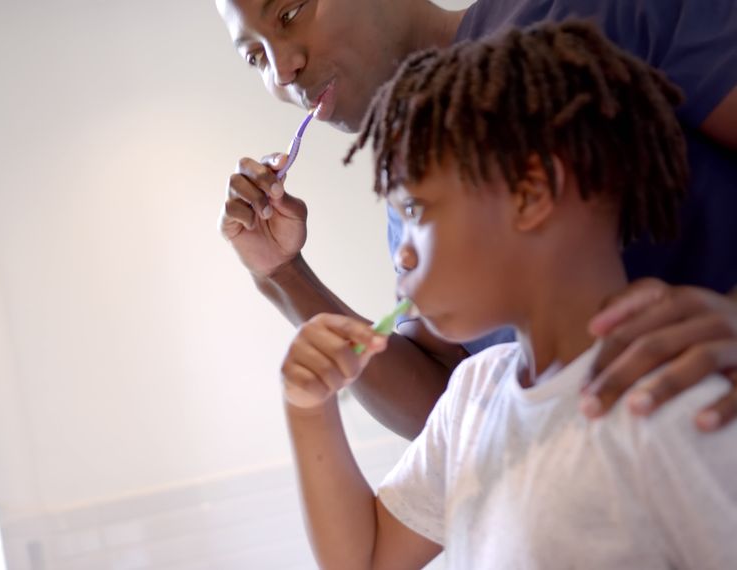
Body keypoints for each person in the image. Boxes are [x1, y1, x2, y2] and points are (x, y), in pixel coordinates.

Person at [280, 21, 737, 568]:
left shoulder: (668, 399)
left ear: (531, 193)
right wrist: (308, 408)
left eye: (415, 211)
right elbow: (365, 558)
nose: (401, 253)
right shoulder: (473, 397)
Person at [216, 0, 737, 439]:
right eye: (254, 56)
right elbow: (450, 413)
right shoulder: (415, 191)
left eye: (289, 12)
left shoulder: (600, 11)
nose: (281, 71)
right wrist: (282, 273)